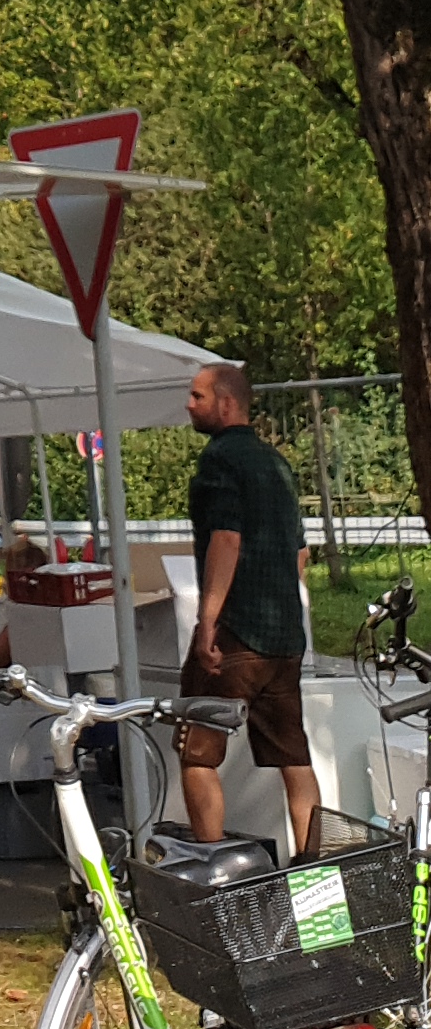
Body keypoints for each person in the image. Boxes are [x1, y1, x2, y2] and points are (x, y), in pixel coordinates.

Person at [185, 358, 325, 849]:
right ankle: (313, 869)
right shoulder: (277, 463)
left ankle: (213, 871)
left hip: (236, 633)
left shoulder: (220, 459)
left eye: (198, 396)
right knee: (295, 759)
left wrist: (208, 621)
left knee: (198, 753)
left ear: (226, 404)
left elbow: (226, 538)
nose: (189, 404)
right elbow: (300, 553)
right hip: (284, 639)